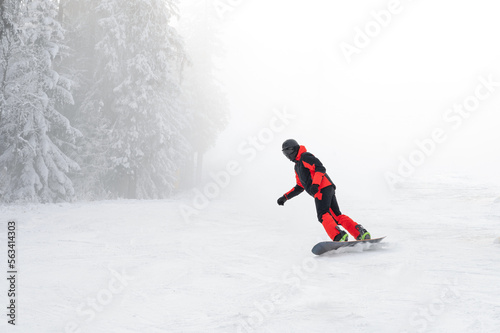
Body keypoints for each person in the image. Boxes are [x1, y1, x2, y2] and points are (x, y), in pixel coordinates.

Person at [277, 139, 370, 242]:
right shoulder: (297, 166)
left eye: (288, 152)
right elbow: (299, 186)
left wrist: (315, 184)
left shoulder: (304, 156)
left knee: (323, 214)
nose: (287, 155)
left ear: (294, 149)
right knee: (336, 215)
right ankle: (360, 232)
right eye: (285, 153)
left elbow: (320, 168)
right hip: (327, 187)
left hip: (321, 188)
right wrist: (285, 197)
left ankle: (338, 236)